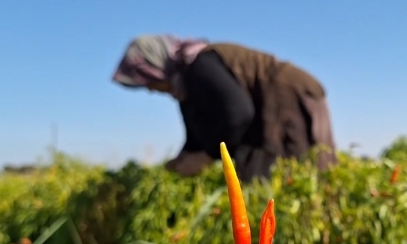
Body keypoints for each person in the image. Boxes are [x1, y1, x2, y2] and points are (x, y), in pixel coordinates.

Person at [112, 34, 337, 182]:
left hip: (288, 98)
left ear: (156, 66)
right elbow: (196, 139)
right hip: (273, 102)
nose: (151, 90)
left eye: (149, 82)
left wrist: (207, 157)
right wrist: (180, 163)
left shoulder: (201, 66)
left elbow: (238, 114)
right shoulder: (186, 89)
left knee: (298, 173)